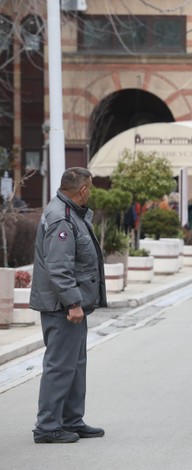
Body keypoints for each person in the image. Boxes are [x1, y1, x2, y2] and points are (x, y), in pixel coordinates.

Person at [29, 167, 107, 444]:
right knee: (60, 366)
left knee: (75, 364)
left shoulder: (70, 212)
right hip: (62, 306)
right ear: (83, 190)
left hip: (73, 305)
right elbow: (58, 267)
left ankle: (71, 420)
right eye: (91, 188)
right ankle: (48, 427)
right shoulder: (61, 217)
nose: (91, 192)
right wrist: (73, 302)